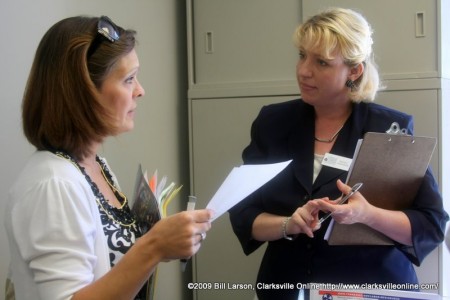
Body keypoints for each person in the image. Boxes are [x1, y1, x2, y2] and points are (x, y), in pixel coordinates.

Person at [229, 7, 448, 300]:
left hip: (370, 288)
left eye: (321, 62)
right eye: (301, 55)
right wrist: (288, 224)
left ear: (354, 70)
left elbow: (430, 225)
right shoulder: (273, 123)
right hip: (287, 286)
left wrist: (367, 215)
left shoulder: (387, 128)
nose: (304, 70)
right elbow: (243, 213)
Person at [4, 15, 213, 300]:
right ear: (82, 94)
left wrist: (165, 238)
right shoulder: (54, 186)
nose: (140, 91)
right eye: (128, 80)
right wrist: (153, 247)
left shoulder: (92, 165)